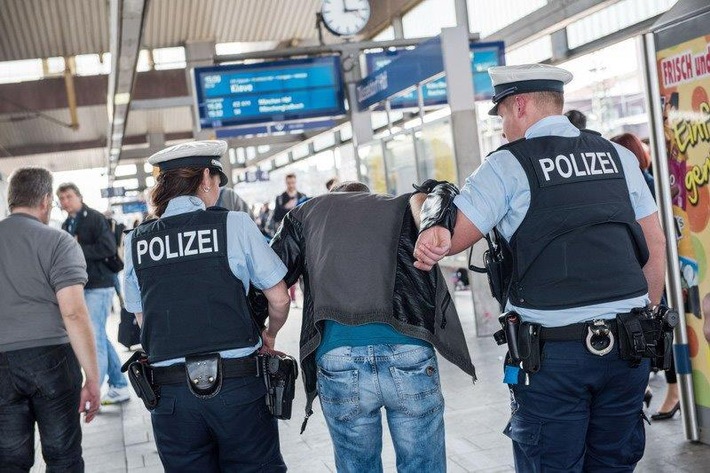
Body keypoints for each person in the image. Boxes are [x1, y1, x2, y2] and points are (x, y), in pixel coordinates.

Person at [412, 64, 666, 472]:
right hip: (629, 348)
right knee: (614, 463)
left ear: (521, 105)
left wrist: (433, 204)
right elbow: (654, 243)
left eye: (501, 118)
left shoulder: (506, 165)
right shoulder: (618, 157)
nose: (501, 130)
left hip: (552, 358)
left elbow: (447, 241)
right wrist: (647, 318)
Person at [255, 180, 476, 473]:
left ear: (333, 200)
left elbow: (270, 278)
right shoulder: (403, 205)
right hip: (408, 352)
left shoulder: (307, 213)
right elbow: (444, 193)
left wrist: (264, 331)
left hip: (339, 358)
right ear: (369, 197)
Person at [123, 140, 291, 471]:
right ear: (204, 178)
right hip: (238, 386)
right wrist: (270, 333)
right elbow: (280, 297)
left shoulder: (136, 240)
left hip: (170, 395)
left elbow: (143, 318)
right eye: (216, 180)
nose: (216, 189)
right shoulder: (235, 224)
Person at [0, 167, 100, 471]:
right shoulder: (59, 242)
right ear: (45, 200)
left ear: (10, 200)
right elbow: (73, 312)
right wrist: (92, 377)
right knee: (62, 456)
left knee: (9, 460)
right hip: (51, 359)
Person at [611, 132, 680, 421]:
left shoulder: (644, 183)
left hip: (651, 266)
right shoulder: (635, 181)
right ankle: (644, 390)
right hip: (641, 265)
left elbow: (655, 236)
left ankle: (674, 392)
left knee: (657, 329)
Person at [57, 183, 131, 406]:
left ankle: (93, 391)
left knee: (94, 336)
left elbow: (108, 247)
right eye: (61, 198)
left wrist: (75, 248)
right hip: (83, 287)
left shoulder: (95, 219)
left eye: (69, 196)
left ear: (79, 196)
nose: (65, 201)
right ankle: (119, 384)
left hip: (100, 284)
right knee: (99, 336)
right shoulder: (65, 224)